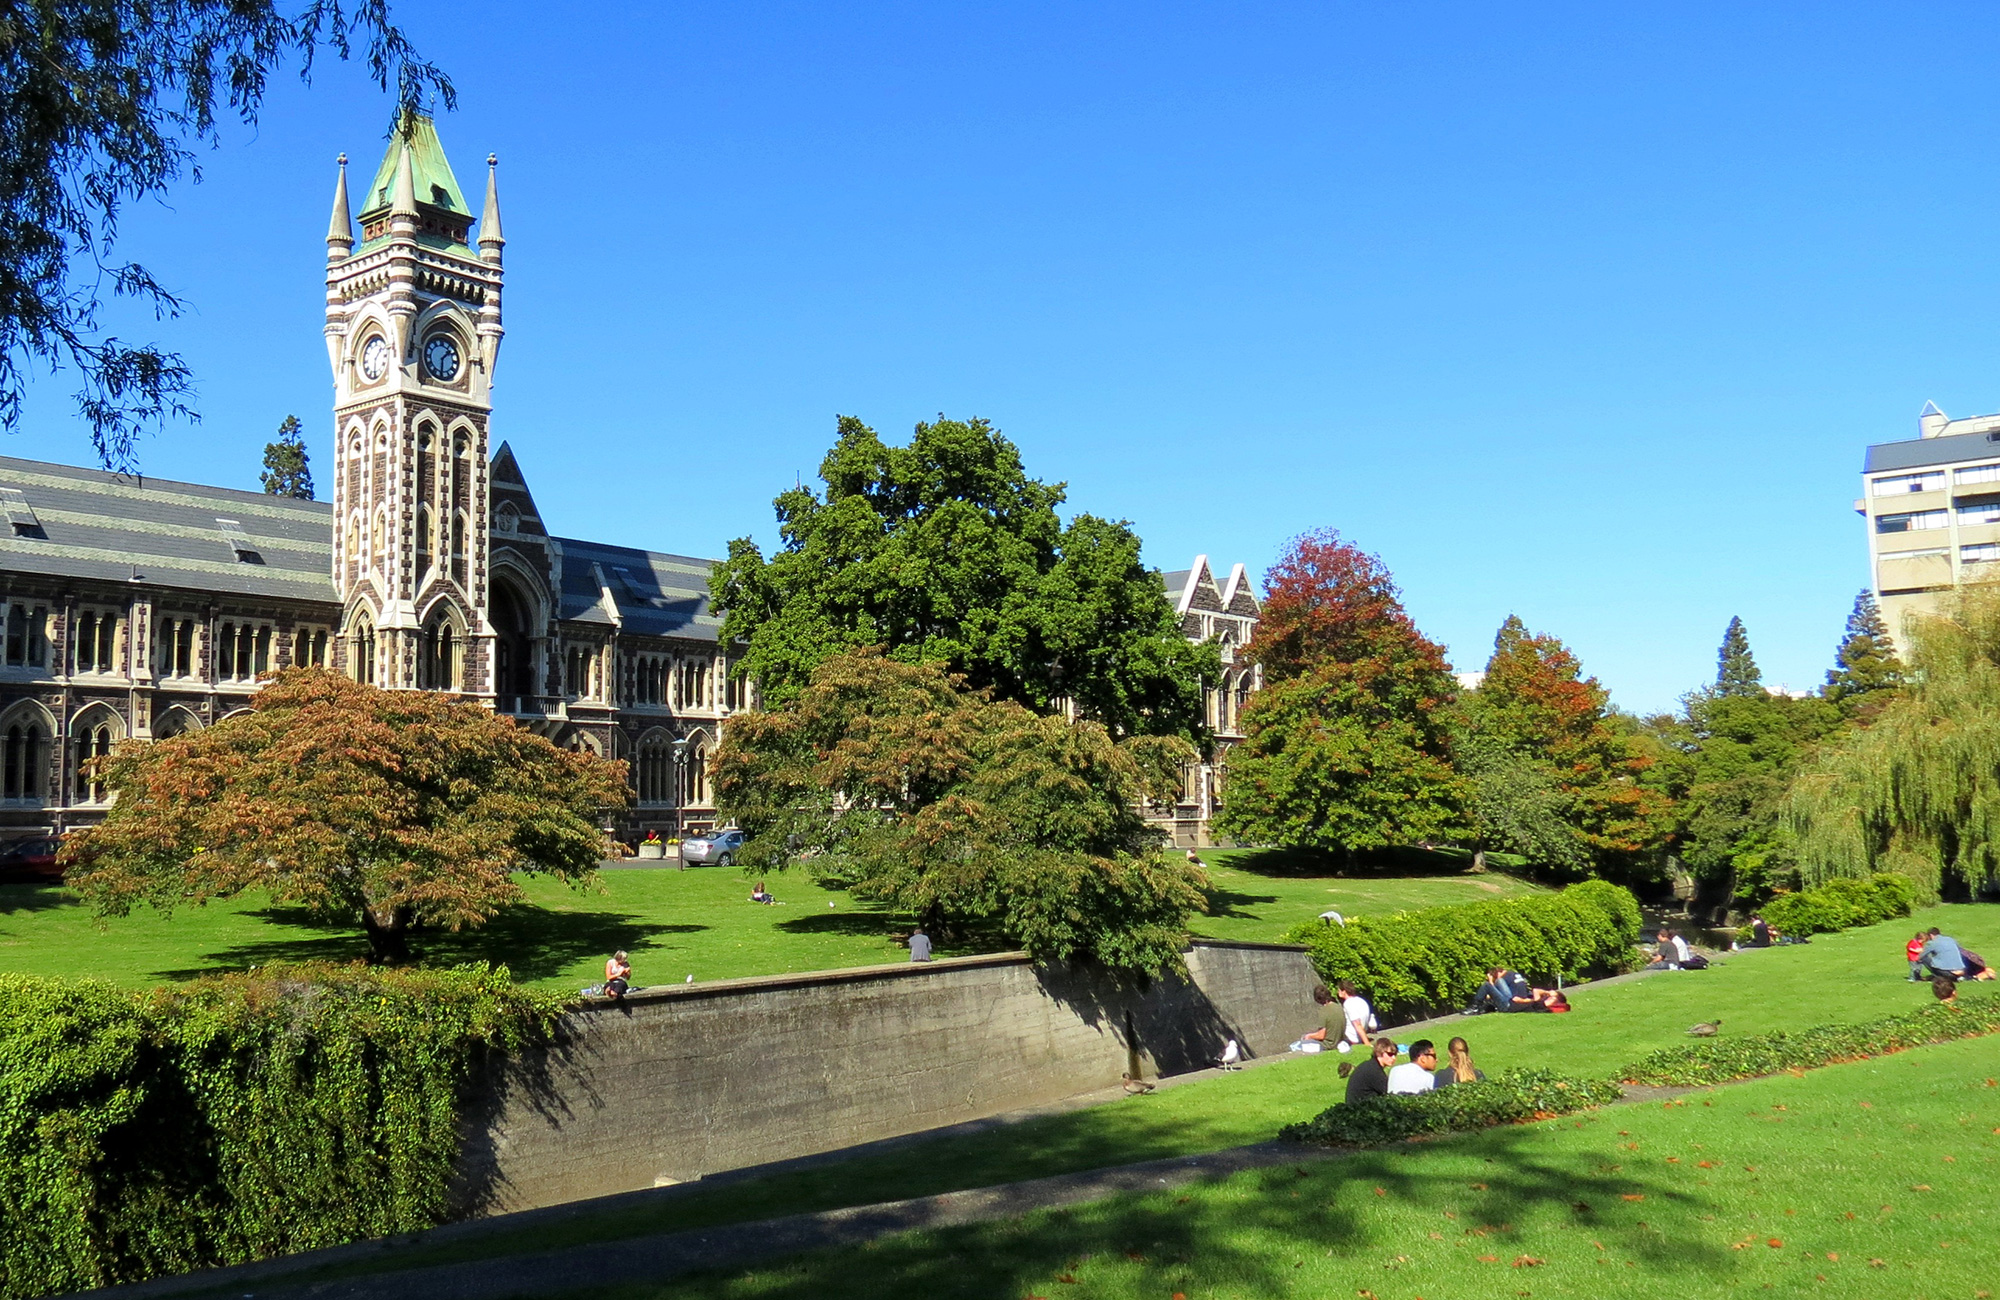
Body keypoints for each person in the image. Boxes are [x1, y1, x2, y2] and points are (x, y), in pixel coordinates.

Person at [1345, 1037, 1396, 1104]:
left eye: (1395, 1054)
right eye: (1390, 1054)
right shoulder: (1374, 1071)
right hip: (1360, 1109)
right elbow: (1390, 1093)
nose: (1394, 1058)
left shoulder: (1371, 1065)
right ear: (1379, 1053)